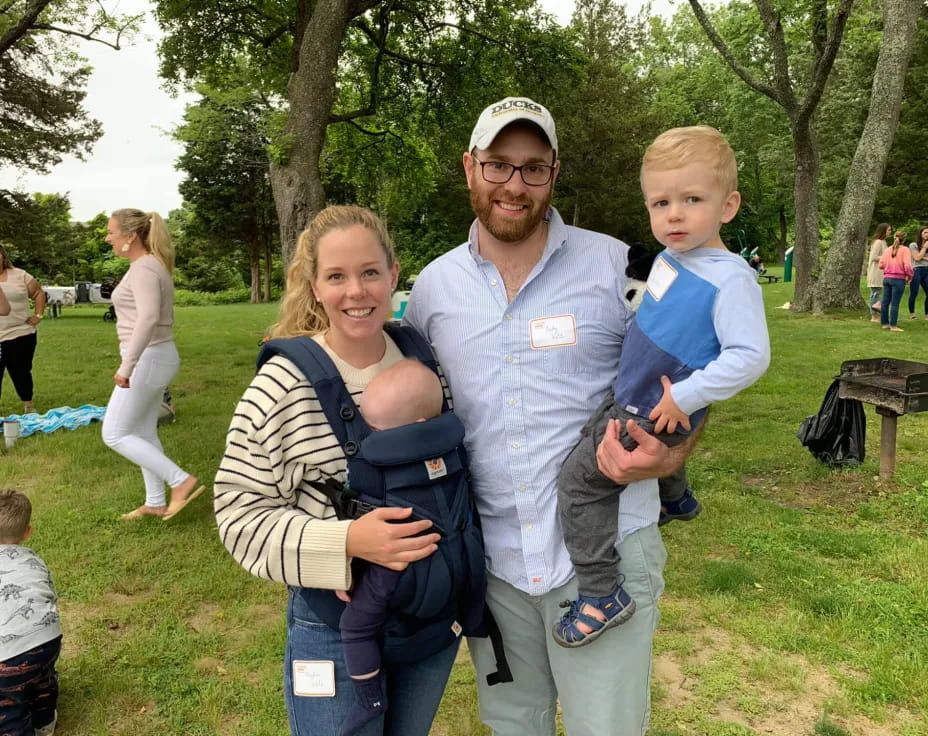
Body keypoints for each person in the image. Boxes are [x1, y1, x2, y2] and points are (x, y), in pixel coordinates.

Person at [404, 96, 697, 735]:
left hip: (604, 557)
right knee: (514, 727)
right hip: (493, 567)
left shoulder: (618, 265)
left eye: (533, 168)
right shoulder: (432, 289)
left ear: (554, 172)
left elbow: (686, 378)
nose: (515, 185)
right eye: (498, 165)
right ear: (469, 167)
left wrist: (672, 455)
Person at [214, 205, 457, 736]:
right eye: (337, 276)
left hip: (429, 615)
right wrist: (347, 541)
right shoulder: (283, 385)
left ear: (394, 275)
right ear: (314, 286)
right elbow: (237, 515)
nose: (357, 292)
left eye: (371, 272)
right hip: (334, 624)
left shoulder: (425, 362)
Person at [552, 126, 770, 647]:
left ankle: (603, 594)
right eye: (661, 201)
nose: (674, 214)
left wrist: (686, 398)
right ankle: (679, 498)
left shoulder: (731, 278)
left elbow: (751, 356)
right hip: (633, 388)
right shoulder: (673, 258)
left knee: (579, 483)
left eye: (692, 199)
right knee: (590, 430)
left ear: (728, 205)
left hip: (654, 404)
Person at [337, 358, 445, 735]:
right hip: (441, 566)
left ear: (415, 428)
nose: (370, 435)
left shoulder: (383, 463)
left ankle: (369, 696)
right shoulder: (449, 449)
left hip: (394, 562)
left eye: (377, 427)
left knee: (355, 625)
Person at [101, 209, 203, 520]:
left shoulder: (145, 268)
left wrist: (127, 366)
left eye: (111, 232)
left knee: (114, 433)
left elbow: (148, 317)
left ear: (130, 236)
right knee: (143, 431)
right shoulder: (146, 266)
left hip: (148, 358)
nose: (108, 237)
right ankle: (155, 502)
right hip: (155, 357)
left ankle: (180, 481)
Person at [0, 489, 61, 736]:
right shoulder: (35, 560)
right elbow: (48, 594)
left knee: (8, 703)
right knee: (41, 679)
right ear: (27, 532)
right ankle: (44, 721)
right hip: (48, 638)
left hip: (7, 655)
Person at [0, 244, 47, 414]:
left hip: (20, 333)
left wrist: (38, 316)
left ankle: (28, 405)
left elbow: (38, 293)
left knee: (21, 371)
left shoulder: (20, 275)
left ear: (3, 257)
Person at [878, 230, 914, 331]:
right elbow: (907, 265)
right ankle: (893, 326)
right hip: (898, 279)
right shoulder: (905, 250)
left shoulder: (888, 249)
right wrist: (910, 276)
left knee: (885, 302)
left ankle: (884, 324)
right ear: (904, 239)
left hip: (886, 279)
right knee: (895, 303)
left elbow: (881, 265)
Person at [866, 223, 891, 323]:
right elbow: (873, 257)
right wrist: (886, 258)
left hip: (882, 272)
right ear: (883, 231)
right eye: (889, 230)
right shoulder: (878, 242)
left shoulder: (883, 242)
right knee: (875, 294)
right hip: (876, 272)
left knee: (880, 293)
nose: (890, 232)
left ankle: (880, 314)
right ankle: (874, 317)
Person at [907, 225, 928, 320]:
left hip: (927, 270)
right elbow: (916, 258)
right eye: (925, 232)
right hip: (916, 270)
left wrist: (921, 256)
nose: (927, 234)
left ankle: (927, 315)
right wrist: (924, 248)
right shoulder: (913, 245)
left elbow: (919, 257)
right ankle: (912, 314)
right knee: (914, 293)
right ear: (920, 234)